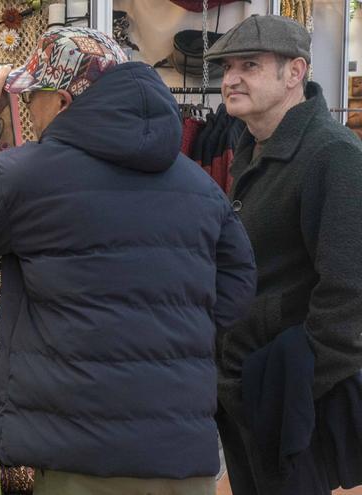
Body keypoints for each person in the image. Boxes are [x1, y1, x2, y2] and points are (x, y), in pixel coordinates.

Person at [0, 26, 257, 494]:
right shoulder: (196, 182)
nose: (27, 109)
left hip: (79, 451)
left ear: (62, 101)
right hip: (180, 452)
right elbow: (239, 283)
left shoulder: (29, 174)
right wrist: (174, 337)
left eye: (32, 96)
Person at [203, 15, 362, 494]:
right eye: (227, 67)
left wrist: (288, 380)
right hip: (242, 386)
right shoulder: (252, 149)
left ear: (295, 72)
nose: (230, 79)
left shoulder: (332, 155)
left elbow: (350, 295)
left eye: (249, 65)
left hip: (283, 393)